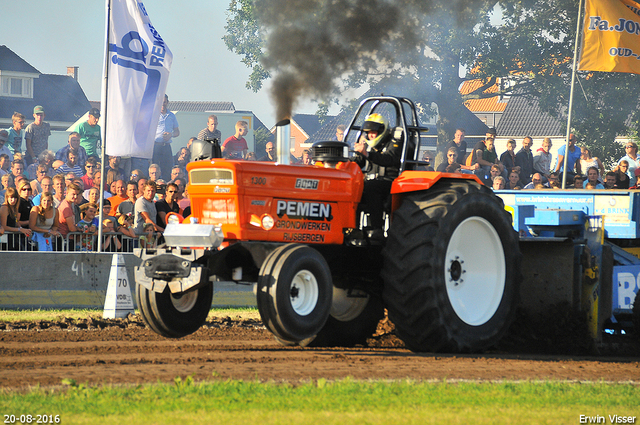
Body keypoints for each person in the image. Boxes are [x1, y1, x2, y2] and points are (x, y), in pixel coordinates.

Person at [353, 113, 401, 241]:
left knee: (372, 187)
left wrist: (367, 153)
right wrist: (356, 156)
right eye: (368, 132)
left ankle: (376, 228)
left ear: (381, 131)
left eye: (373, 132)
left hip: (390, 181)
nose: (370, 135)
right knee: (353, 187)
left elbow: (389, 159)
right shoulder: (367, 144)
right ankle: (353, 228)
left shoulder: (394, 142)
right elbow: (359, 163)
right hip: (371, 180)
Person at [154, 94, 179, 181]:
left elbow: (177, 132)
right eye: (161, 102)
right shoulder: (154, 115)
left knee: (167, 168)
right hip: (156, 146)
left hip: (166, 146)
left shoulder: (171, 116)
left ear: (167, 102)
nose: (163, 104)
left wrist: (170, 135)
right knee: (155, 168)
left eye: (164, 102)